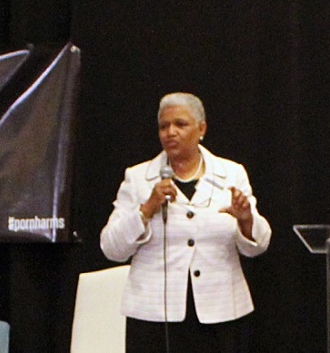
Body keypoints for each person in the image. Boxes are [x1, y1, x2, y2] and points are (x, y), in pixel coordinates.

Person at [100, 92, 272, 352]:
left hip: (221, 312)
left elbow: (258, 245)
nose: (170, 132)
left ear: (201, 129)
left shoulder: (231, 174)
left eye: (180, 124)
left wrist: (246, 220)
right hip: (154, 316)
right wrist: (146, 210)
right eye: (164, 126)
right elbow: (111, 248)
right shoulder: (138, 178)